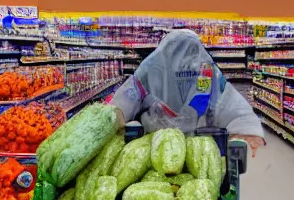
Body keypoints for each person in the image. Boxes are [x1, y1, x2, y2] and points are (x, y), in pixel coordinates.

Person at [110, 29, 265, 156]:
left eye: (190, 53)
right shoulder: (149, 72)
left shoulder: (208, 73)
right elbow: (126, 99)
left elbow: (231, 103)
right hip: (156, 146)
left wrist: (246, 130)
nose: (184, 60)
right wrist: (114, 118)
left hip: (199, 149)